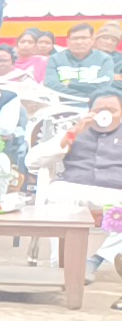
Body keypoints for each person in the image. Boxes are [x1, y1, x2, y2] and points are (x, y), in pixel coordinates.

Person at [27, 89, 122, 299]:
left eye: (112, 110)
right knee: (56, 195)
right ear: (89, 112)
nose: (105, 114)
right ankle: (62, 265)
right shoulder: (74, 130)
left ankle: (94, 261)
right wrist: (73, 132)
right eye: (99, 110)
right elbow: (32, 162)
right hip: (73, 188)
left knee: (119, 217)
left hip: (116, 193)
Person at [48, 23, 116, 100]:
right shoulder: (55, 59)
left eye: (84, 38)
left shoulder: (105, 59)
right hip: (62, 104)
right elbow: (51, 85)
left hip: (93, 105)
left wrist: (69, 83)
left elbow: (103, 86)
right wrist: (83, 95)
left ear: (92, 40)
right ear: (68, 41)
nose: (79, 42)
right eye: (75, 38)